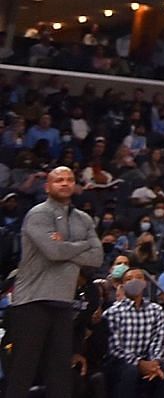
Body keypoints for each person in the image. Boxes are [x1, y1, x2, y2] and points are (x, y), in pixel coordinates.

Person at [7, 163, 104, 398]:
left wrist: (65, 246)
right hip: (32, 300)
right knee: (23, 370)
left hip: (63, 302)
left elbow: (97, 257)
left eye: (69, 179)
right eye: (59, 180)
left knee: (60, 372)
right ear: (47, 186)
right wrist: (81, 246)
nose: (65, 183)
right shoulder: (39, 213)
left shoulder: (83, 219)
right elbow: (53, 252)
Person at [104, 273, 164, 398]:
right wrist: (139, 363)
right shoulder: (112, 312)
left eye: (139, 278)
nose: (134, 281)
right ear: (122, 285)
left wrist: (154, 363)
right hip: (121, 361)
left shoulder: (156, 310)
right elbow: (115, 348)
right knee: (130, 371)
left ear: (145, 283)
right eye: (129, 279)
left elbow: (159, 339)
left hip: (150, 360)